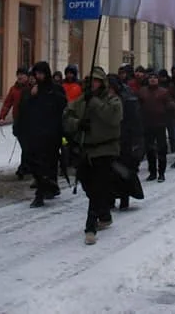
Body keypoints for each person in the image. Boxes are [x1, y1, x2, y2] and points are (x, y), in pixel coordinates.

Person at [64, 67, 123, 245]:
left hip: (106, 149)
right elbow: (66, 117)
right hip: (86, 149)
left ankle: (91, 226)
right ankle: (104, 214)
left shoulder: (112, 100)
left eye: (96, 81)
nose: (93, 84)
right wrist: (78, 124)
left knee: (98, 186)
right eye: (90, 81)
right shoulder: (80, 101)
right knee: (87, 184)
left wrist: (95, 103)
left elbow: (113, 118)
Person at [21, 62, 67, 207]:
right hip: (35, 133)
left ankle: (42, 192)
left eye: (41, 73)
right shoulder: (32, 91)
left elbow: (62, 108)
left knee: (48, 164)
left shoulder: (55, 90)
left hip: (52, 134)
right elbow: (25, 110)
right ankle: (47, 186)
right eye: (36, 74)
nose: (39, 76)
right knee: (34, 163)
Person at [109, 74, 143, 210]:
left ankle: (124, 198)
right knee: (108, 172)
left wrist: (136, 141)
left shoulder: (128, 99)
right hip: (108, 140)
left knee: (123, 171)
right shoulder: (102, 99)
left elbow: (135, 120)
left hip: (124, 140)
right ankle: (109, 199)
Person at [138, 70, 175, 183]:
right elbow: (138, 106)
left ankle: (161, 173)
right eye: (150, 78)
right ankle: (152, 172)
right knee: (149, 149)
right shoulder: (142, 91)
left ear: (158, 80)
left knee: (161, 149)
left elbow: (169, 106)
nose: (153, 79)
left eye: (155, 78)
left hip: (160, 124)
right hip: (147, 124)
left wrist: (169, 116)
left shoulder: (163, 92)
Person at [0, 67, 31, 179]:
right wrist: (2, 115)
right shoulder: (14, 89)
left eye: (22, 74)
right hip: (18, 120)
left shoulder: (31, 88)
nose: (20, 77)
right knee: (24, 144)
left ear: (27, 76)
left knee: (27, 145)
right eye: (18, 74)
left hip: (30, 120)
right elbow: (8, 102)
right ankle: (26, 166)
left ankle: (24, 167)